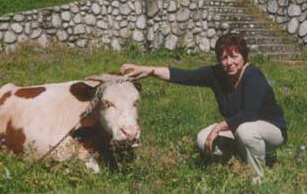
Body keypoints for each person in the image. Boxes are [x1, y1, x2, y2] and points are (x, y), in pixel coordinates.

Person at [120, 32, 287, 179]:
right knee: (203, 139)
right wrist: (149, 71)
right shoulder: (217, 74)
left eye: (234, 56)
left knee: (245, 131)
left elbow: (249, 114)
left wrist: (219, 127)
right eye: (223, 57)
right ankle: (240, 161)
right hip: (239, 129)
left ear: (244, 56)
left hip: (270, 130)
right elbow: (184, 75)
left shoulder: (253, 74)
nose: (229, 62)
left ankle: (257, 178)